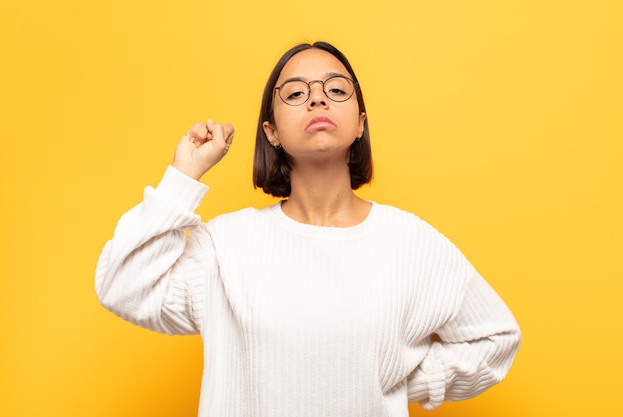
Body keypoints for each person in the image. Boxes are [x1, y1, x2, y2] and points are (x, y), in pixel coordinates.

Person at [95, 41, 521, 417]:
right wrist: (183, 177)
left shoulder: (410, 243)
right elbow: (122, 286)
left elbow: (497, 339)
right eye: (297, 93)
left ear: (359, 123)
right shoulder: (224, 247)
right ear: (272, 131)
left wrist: (402, 381)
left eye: (336, 90)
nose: (318, 100)